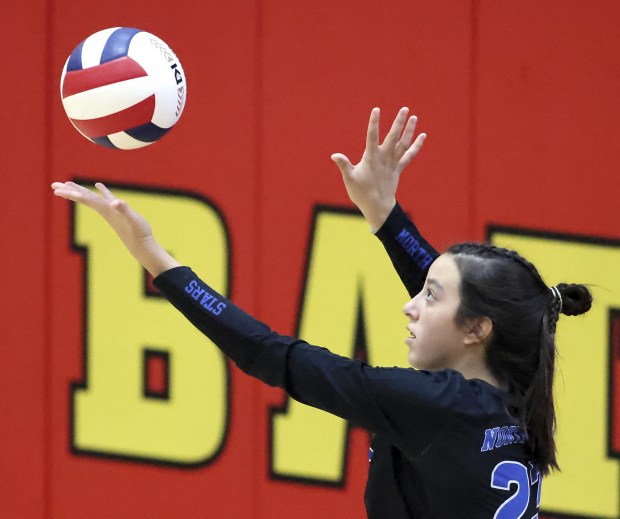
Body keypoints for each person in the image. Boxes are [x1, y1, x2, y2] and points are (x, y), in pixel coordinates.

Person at [52, 107, 592, 518]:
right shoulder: (514, 377)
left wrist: (155, 258)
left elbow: (273, 355)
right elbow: (468, 296)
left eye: (428, 297)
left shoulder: (434, 405)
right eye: (422, 290)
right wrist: (385, 216)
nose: (410, 305)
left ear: (477, 330)